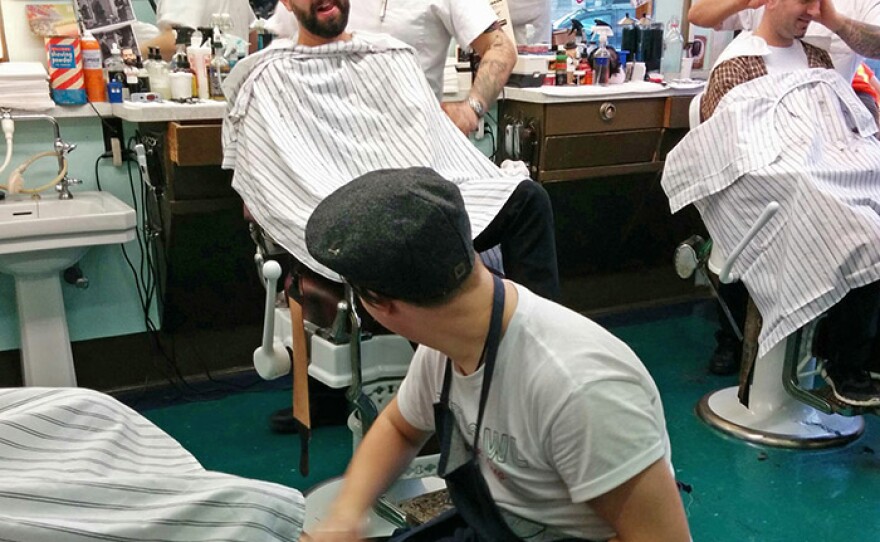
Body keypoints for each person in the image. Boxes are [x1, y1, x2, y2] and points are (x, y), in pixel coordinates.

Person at [301, 167, 690, 542]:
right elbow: (400, 428)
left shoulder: (579, 388)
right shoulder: (445, 348)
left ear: (379, 304)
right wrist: (345, 514)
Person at [664, 0, 880, 405]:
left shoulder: (816, 55)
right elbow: (726, 150)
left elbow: (838, 123)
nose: (814, 11)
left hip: (821, 170)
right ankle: (843, 363)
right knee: (863, 231)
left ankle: (864, 357)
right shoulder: (738, 64)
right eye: (805, 1)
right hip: (772, 190)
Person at [267, 0, 516, 134]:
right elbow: (278, 53)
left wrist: (471, 109)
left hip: (412, 140)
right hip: (331, 137)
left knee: (527, 200)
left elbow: (500, 47)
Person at [689, 0, 880, 82]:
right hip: (761, 123)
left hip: (828, 129)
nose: (812, 10)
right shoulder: (734, 69)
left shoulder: (860, 3)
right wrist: (741, 1)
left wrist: (837, 23)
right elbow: (697, 15)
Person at [142, 0, 257, 59]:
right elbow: (252, 34)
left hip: (200, 90)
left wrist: (130, 55)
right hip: (235, 89)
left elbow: (176, 40)